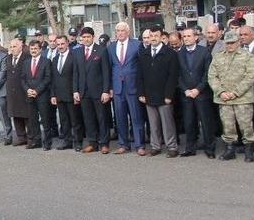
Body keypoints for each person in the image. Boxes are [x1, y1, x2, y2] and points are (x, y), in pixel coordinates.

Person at [209, 31, 254, 162]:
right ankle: (230, 149)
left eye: (232, 43)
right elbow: (212, 76)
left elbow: (250, 76)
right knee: (227, 125)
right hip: (223, 98)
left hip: (242, 98)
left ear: (238, 42)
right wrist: (220, 92)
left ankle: (249, 149)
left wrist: (235, 92)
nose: (229, 45)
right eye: (227, 43)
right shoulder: (218, 57)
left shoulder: (247, 56)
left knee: (245, 125)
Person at [137, 26, 180, 157]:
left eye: (156, 36)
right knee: (153, 123)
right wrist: (141, 93)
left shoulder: (170, 53)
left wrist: (169, 95)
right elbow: (140, 75)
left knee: (167, 123)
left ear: (162, 37)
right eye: (151, 36)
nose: (153, 38)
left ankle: (172, 147)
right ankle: (155, 146)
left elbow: (173, 76)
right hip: (149, 95)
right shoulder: (143, 53)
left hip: (164, 95)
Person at [108, 22, 146, 156]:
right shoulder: (111, 47)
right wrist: (110, 88)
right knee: (120, 117)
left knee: (136, 117)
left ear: (128, 32)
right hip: (117, 87)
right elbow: (110, 68)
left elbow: (142, 67)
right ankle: (123, 144)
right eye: (117, 30)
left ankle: (140, 145)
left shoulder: (137, 45)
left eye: (122, 30)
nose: (119, 33)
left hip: (133, 86)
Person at [177, 27, 215, 158]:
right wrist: (186, 89)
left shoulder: (204, 52)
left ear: (196, 37)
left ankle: (210, 148)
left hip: (202, 93)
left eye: (189, 36)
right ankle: (190, 148)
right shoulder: (179, 53)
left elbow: (208, 74)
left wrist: (198, 89)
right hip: (186, 94)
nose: (186, 38)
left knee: (206, 122)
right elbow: (178, 75)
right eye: (184, 37)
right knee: (189, 122)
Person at [73, 27, 111, 153]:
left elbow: (106, 72)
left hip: (98, 91)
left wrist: (106, 90)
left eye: (88, 37)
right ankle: (92, 143)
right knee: (88, 119)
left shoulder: (101, 50)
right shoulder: (77, 52)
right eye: (83, 37)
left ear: (93, 37)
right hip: (83, 91)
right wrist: (75, 91)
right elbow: (76, 73)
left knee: (102, 118)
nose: (86, 39)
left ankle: (104, 143)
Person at [50, 35, 83, 151]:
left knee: (75, 120)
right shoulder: (55, 59)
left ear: (67, 43)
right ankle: (67, 141)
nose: (60, 46)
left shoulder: (74, 57)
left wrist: (75, 91)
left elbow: (76, 75)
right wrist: (53, 94)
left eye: (62, 44)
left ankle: (78, 142)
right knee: (64, 120)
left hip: (71, 94)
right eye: (58, 44)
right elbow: (53, 79)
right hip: (59, 95)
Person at [21, 40, 54, 150]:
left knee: (45, 120)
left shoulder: (46, 61)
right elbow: (23, 79)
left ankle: (47, 142)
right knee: (33, 120)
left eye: (35, 49)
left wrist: (37, 90)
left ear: (40, 49)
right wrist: (28, 90)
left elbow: (48, 78)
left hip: (42, 95)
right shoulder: (26, 62)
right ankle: (37, 140)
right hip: (29, 95)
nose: (33, 51)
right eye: (31, 49)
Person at [6, 37, 30, 146]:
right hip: (12, 91)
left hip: (23, 90)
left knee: (26, 115)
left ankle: (30, 137)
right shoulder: (8, 58)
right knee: (15, 114)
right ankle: (21, 137)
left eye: (14, 46)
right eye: (10, 47)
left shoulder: (26, 57)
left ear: (20, 47)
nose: (12, 49)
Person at [238, 26, 254, 141]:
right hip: (241, 91)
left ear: (253, 35)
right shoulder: (237, 49)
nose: (242, 37)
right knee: (245, 119)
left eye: (245, 35)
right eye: (240, 35)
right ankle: (247, 143)